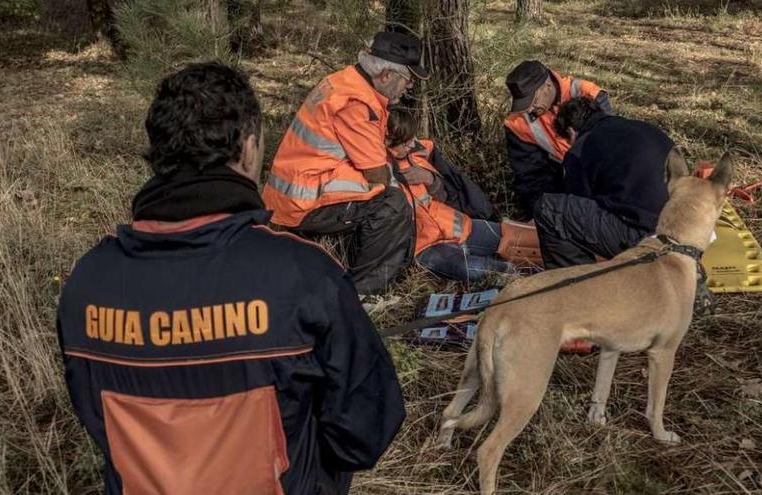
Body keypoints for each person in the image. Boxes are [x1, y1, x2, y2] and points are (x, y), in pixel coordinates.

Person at [57, 62, 405, 495]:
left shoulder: (87, 282)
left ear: (158, 154)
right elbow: (365, 433)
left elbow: (95, 420)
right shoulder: (305, 274)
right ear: (248, 149)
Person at [262, 31, 429, 295]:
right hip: (303, 201)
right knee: (392, 203)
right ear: (386, 76)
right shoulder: (357, 104)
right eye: (407, 80)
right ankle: (363, 294)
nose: (409, 87)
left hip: (292, 192)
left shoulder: (345, 82)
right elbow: (377, 174)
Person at [387, 108, 542, 281]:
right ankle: (517, 276)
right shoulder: (379, 171)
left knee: (524, 241)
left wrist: (430, 179)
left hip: (459, 228)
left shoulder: (418, 156)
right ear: (388, 140)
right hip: (426, 247)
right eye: (405, 142)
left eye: (412, 139)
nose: (411, 144)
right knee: (476, 269)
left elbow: (446, 196)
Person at [533, 96, 674, 268]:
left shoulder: (580, 149)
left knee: (549, 210)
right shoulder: (642, 129)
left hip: (643, 238)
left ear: (571, 132)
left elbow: (579, 207)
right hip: (680, 231)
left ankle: (574, 286)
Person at [503, 60, 612, 219]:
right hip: (563, 184)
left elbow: (610, 147)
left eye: (532, 102)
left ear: (547, 88)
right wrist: (543, 214)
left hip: (602, 177)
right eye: (522, 103)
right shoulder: (517, 124)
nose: (528, 109)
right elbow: (531, 178)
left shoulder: (588, 93)